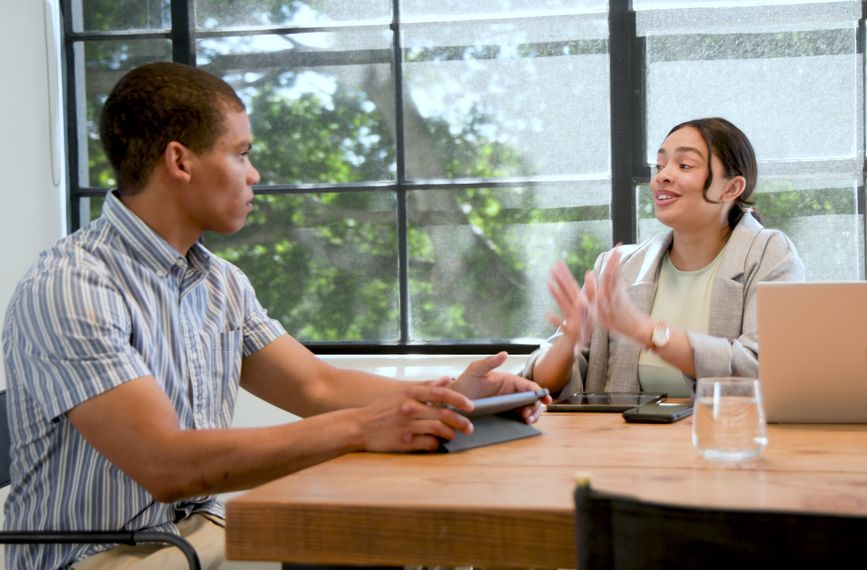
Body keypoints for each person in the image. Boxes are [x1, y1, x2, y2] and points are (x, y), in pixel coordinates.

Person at [1, 61, 549, 570]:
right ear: (180, 161)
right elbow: (166, 464)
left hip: (195, 534)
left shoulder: (219, 282)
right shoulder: (71, 286)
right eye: (240, 154)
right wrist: (362, 427)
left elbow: (316, 385)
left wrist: (449, 397)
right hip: (95, 557)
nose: (255, 174)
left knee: (388, 542)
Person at [522, 117, 805, 398]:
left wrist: (647, 331)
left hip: (721, 427)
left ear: (730, 188)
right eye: (659, 166)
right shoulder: (618, 265)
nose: (662, 176)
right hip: (621, 430)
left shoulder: (769, 254)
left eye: (685, 165)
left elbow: (762, 369)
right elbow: (542, 384)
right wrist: (570, 340)